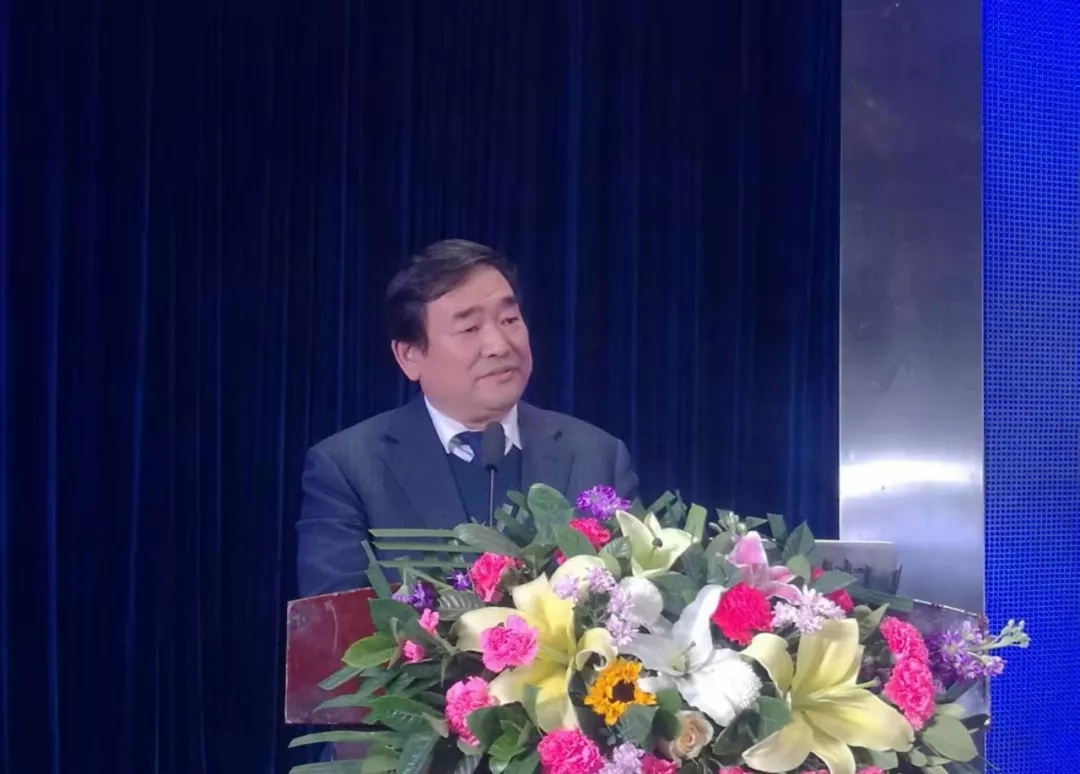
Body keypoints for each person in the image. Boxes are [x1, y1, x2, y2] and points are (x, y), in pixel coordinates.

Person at [296, 239, 640, 597]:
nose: (499, 345)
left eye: (510, 320)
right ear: (410, 356)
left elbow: (637, 599)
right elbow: (332, 620)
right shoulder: (350, 468)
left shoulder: (596, 455)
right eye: (470, 329)